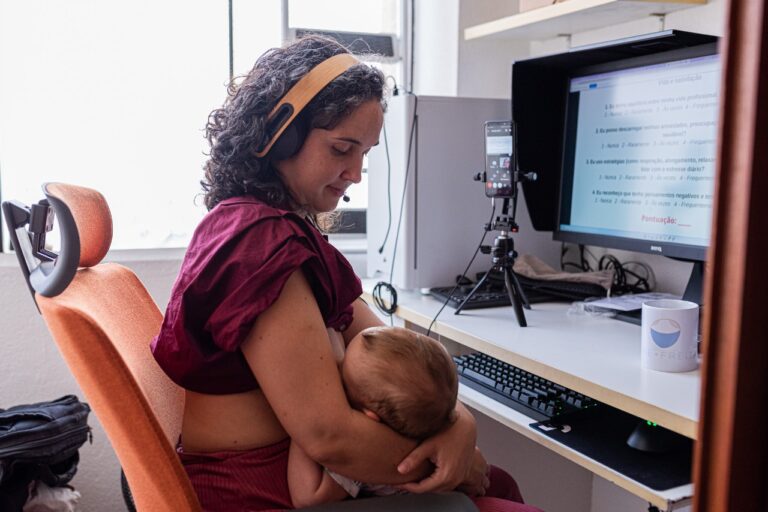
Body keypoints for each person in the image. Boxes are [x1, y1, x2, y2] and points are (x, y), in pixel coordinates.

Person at [151, 35, 543, 512]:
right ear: (281, 134)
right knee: (501, 492)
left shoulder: (283, 230)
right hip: (259, 489)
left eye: (365, 154)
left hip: (286, 472)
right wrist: (456, 465)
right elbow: (328, 436)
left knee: (497, 483)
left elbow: (388, 350)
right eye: (342, 149)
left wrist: (459, 423)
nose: (356, 173)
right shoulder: (259, 244)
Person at [287, 326, 460, 507]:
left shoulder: (366, 450)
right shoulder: (427, 419)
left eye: (342, 376)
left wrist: (302, 416)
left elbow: (308, 497)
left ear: (368, 416)